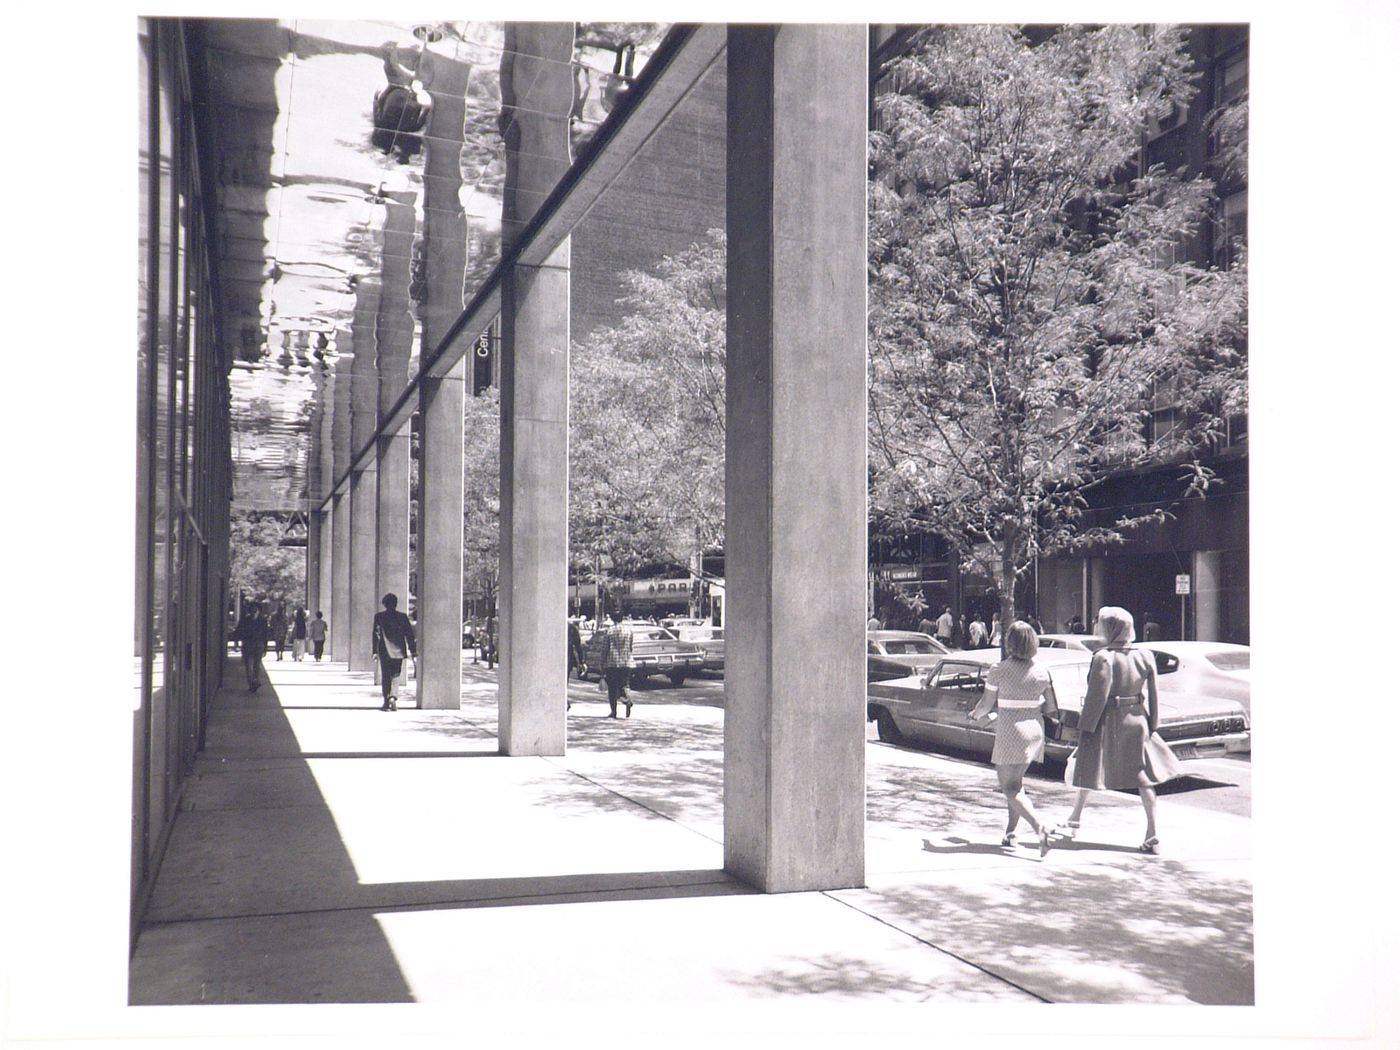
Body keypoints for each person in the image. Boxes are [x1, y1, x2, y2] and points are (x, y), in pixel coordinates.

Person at [1061, 606, 1182, 853]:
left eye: (1100, 622)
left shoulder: (1103, 656)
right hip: (1138, 718)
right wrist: (1153, 723)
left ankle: (1075, 816)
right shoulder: (1145, 655)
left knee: (1089, 766)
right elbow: (1154, 693)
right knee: (1143, 777)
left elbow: (1097, 696)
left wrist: (1085, 727)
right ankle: (1152, 831)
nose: (1096, 626)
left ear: (1111, 628)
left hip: (1107, 719)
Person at [970, 621, 1061, 855]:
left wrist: (974, 715)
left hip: (1011, 730)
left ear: (1009, 643)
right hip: (1034, 731)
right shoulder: (1042, 671)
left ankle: (1040, 826)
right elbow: (1051, 708)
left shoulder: (998, 669)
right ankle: (1011, 833)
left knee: (1009, 788)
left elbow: (985, 705)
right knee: (1017, 785)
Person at [371, 593, 417, 712]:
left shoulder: (379, 617)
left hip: (384, 650)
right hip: (399, 651)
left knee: (386, 675)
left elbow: (376, 634)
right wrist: (413, 650)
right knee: (396, 674)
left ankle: (387, 701)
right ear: (396, 604)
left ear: (385, 604)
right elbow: (409, 634)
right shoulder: (402, 617)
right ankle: (393, 697)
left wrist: (374, 651)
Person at [597, 609, 635, 718]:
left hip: (612, 663)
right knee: (625, 684)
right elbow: (631, 647)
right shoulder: (629, 631)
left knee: (612, 688)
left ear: (613, 619)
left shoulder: (609, 631)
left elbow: (605, 649)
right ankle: (627, 699)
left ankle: (614, 712)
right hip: (626, 662)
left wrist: (602, 662)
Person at [236, 603, 270, 692]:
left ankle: (256, 680)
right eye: (252, 610)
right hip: (248, 644)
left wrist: (265, 647)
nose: (254, 612)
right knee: (249, 664)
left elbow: (265, 634)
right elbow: (239, 631)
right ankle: (252, 682)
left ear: (259, 611)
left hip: (259, 644)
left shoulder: (263, 621)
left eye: (255, 610)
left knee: (256, 665)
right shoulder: (245, 620)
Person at [566, 618, 587, 711]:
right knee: (564, 682)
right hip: (567, 659)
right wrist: (581, 661)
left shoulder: (551, 627)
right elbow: (578, 646)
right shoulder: (571, 628)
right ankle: (564, 700)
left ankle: (563, 701)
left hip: (554, 660)